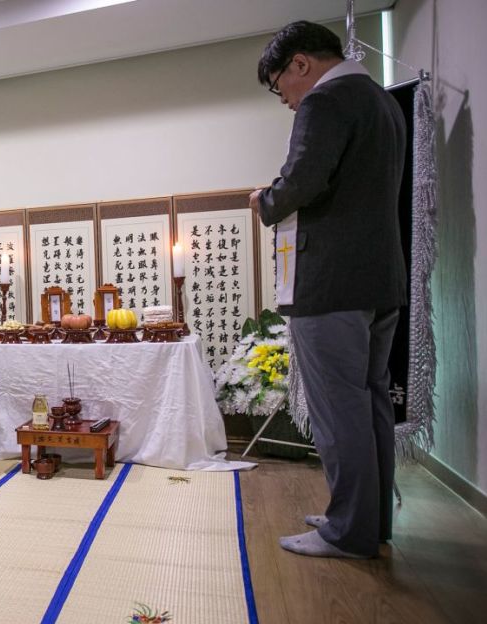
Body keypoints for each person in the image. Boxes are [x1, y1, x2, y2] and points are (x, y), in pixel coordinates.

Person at [249, 21, 406, 559]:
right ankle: (369, 519)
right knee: (369, 404)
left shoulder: (326, 101)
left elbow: (302, 180)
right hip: (379, 278)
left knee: (339, 410)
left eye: (281, 87)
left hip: (332, 282)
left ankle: (347, 532)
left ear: (300, 65)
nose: (288, 102)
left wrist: (264, 201)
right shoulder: (382, 103)